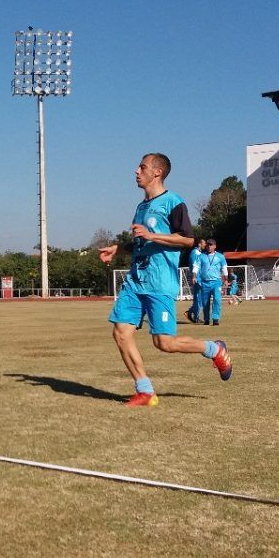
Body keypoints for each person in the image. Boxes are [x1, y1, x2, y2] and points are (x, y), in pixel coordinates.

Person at [98, 153, 232, 407]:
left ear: (157, 172)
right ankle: (145, 391)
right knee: (121, 332)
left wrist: (152, 235)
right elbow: (141, 241)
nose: (136, 171)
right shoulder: (141, 207)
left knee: (164, 343)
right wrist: (119, 248)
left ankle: (214, 349)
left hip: (160, 283)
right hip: (136, 281)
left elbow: (188, 240)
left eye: (142, 167)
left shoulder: (173, 202)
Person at [194, 238, 228, 326]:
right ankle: (206, 319)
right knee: (205, 302)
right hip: (204, 282)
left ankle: (215, 319)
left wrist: (226, 279)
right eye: (208, 245)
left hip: (216, 282)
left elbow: (224, 268)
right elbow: (196, 266)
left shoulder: (220, 256)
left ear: (215, 246)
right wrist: (194, 276)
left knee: (217, 300)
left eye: (211, 245)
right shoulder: (201, 256)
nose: (209, 246)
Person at [186, 239, 204, 323]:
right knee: (198, 298)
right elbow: (195, 266)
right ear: (199, 244)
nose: (206, 245)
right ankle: (196, 317)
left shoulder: (200, 253)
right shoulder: (194, 253)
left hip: (201, 278)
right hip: (197, 278)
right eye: (204, 243)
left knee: (201, 298)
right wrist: (195, 277)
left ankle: (190, 312)